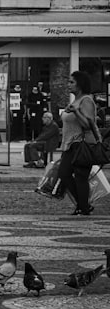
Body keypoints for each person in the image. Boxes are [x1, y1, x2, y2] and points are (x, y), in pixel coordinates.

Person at [53, 71, 99, 215]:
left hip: (81, 144)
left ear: (80, 84)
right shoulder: (75, 101)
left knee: (80, 177)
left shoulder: (86, 100)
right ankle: (83, 205)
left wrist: (76, 112)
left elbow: (88, 123)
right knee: (64, 174)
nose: (68, 85)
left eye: (72, 82)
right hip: (69, 145)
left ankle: (83, 207)